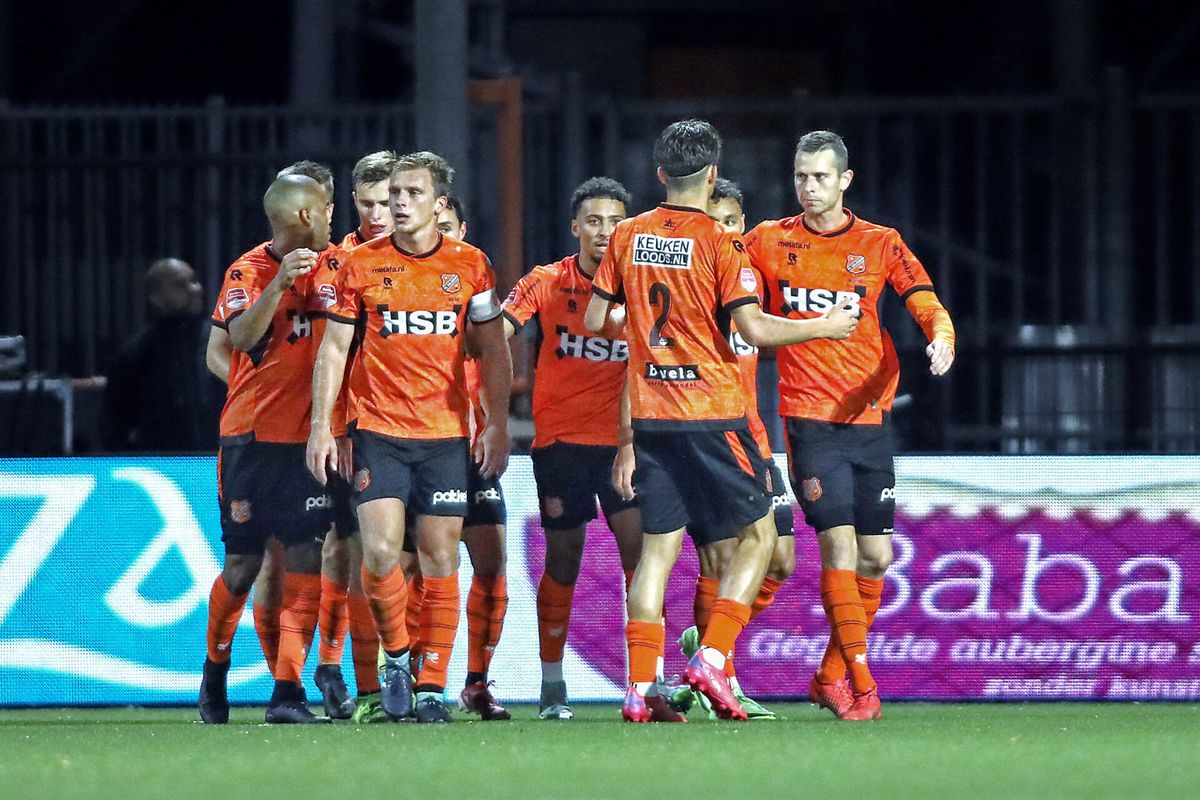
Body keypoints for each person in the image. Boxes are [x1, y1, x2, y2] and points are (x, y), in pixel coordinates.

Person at [583, 119, 858, 723]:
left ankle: (638, 690)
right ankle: (711, 657)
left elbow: (597, 319)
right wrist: (825, 326)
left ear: (660, 174)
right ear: (711, 176)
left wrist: (651, 344)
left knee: (657, 554)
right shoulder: (720, 241)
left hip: (651, 416)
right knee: (762, 538)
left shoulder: (628, 234)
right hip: (712, 415)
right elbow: (754, 329)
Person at [745, 130, 955, 722]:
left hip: (869, 418)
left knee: (877, 557)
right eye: (801, 177)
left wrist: (942, 334)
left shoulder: (879, 243)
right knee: (836, 544)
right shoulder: (768, 239)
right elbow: (722, 274)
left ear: (845, 180)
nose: (809, 187)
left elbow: (922, 296)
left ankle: (828, 675)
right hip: (808, 418)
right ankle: (862, 682)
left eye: (820, 176)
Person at [307, 151, 512, 724]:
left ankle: (430, 685)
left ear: (439, 203)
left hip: (447, 434)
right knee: (376, 553)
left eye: (412, 193)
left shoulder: (471, 265)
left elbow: (493, 349)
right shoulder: (359, 266)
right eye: (394, 192)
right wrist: (324, 425)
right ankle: (397, 656)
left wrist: (495, 421)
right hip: (378, 431)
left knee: (440, 555)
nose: (398, 203)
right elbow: (333, 350)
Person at [500, 177, 642, 721]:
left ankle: (642, 680)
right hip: (559, 443)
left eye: (615, 221)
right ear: (575, 228)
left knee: (639, 560)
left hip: (624, 445)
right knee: (563, 560)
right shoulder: (546, 281)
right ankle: (553, 683)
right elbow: (497, 330)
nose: (605, 231)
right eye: (595, 221)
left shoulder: (642, 282)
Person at [199, 173, 335, 725]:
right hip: (251, 439)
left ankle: (287, 689)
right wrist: (278, 285)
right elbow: (239, 340)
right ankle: (214, 667)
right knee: (242, 566)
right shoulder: (247, 271)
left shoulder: (338, 267)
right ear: (304, 216)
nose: (334, 217)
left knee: (305, 558)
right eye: (327, 208)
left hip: (309, 441)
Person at [672, 178, 795, 721]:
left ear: (741, 224)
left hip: (757, 441)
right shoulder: (692, 282)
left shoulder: (748, 273)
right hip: (711, 435)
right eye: (712, 219)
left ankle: (709, 648)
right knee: (723, 560)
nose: (721, 230)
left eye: (729, 221)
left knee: (781, 560)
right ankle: (724, 674)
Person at [104, 258, 223, 452]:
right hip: (160, 470)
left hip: (219, 462)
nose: (194, 289)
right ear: (156, 298)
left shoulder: (224, 342)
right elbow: (116, 424)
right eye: (180, 285)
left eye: (194, 281)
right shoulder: (135, 354)